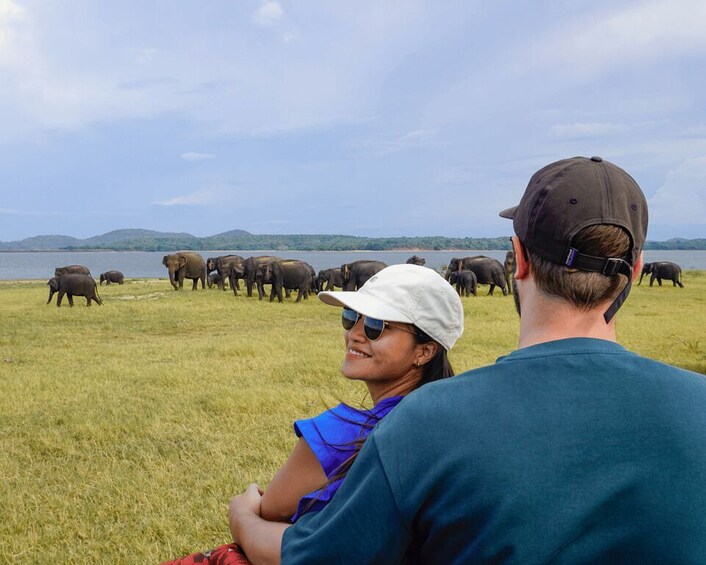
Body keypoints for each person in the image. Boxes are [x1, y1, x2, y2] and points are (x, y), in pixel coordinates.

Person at [229, 156, 706, 563]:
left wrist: (243, 518)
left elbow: (318, 557)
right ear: (637, 270)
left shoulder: (427, 422)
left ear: (517, 259)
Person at [160, 264, 464, 564]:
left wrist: (241, 508)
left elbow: (270, 509)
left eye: (375, 326)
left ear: (424, 351)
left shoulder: (343, 433)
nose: (355, 335)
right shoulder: (450, 423)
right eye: (350, 318)